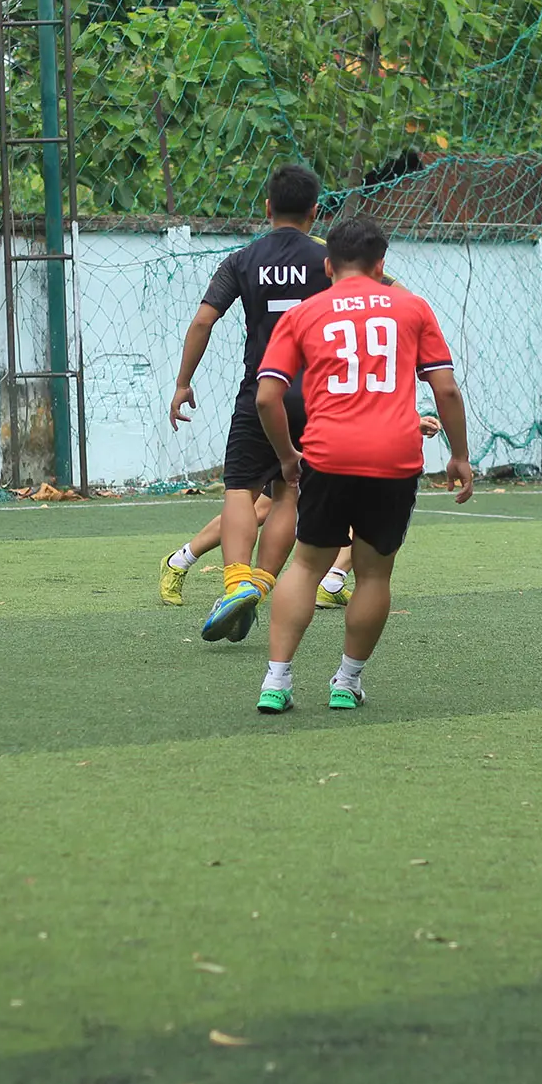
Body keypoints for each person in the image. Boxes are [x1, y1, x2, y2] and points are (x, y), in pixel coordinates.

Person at [252, 216, 474, 713]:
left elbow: (268, 398)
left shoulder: (304, 314)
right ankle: (346, 681)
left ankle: (276, 681)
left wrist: (289, 457)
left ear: (328, 265)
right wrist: (458, 455)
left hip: (327, 454)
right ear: (381, 265)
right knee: (373, 576)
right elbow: (446, 389)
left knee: (307, 563)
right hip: (393, 457)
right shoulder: (413, 307)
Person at [167, 163, 331, 643]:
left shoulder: (242, 259)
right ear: (315, 212)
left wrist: (183, 382)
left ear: (267, 208)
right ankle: (260, 584)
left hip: (263, 393)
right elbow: (382, 296)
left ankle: (237, 580)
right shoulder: (329, 259)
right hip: (318, 399)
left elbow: (202, 321)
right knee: (288, 490)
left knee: (240, 487)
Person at [157, 413, 441, 609]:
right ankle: (179, 561)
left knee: (358, 501)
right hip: (304, 422)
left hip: (329, 428)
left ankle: (331, 580)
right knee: (260, 510)